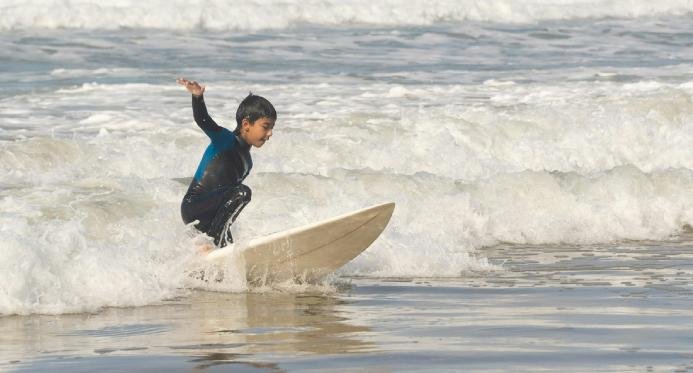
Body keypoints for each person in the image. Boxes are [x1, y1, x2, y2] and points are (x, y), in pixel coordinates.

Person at [177, 78, 276, 247]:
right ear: (246, 124)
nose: (270, 133)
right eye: (265, 127)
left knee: (229, 245)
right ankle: (213, 243)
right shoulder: (225, 139)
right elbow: (203, 120)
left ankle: (207, 256)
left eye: (272, 127)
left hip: (212, 216)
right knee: (243, 193)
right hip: (195, 206)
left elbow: (227, 205)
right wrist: (197, 96)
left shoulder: (248, 162)